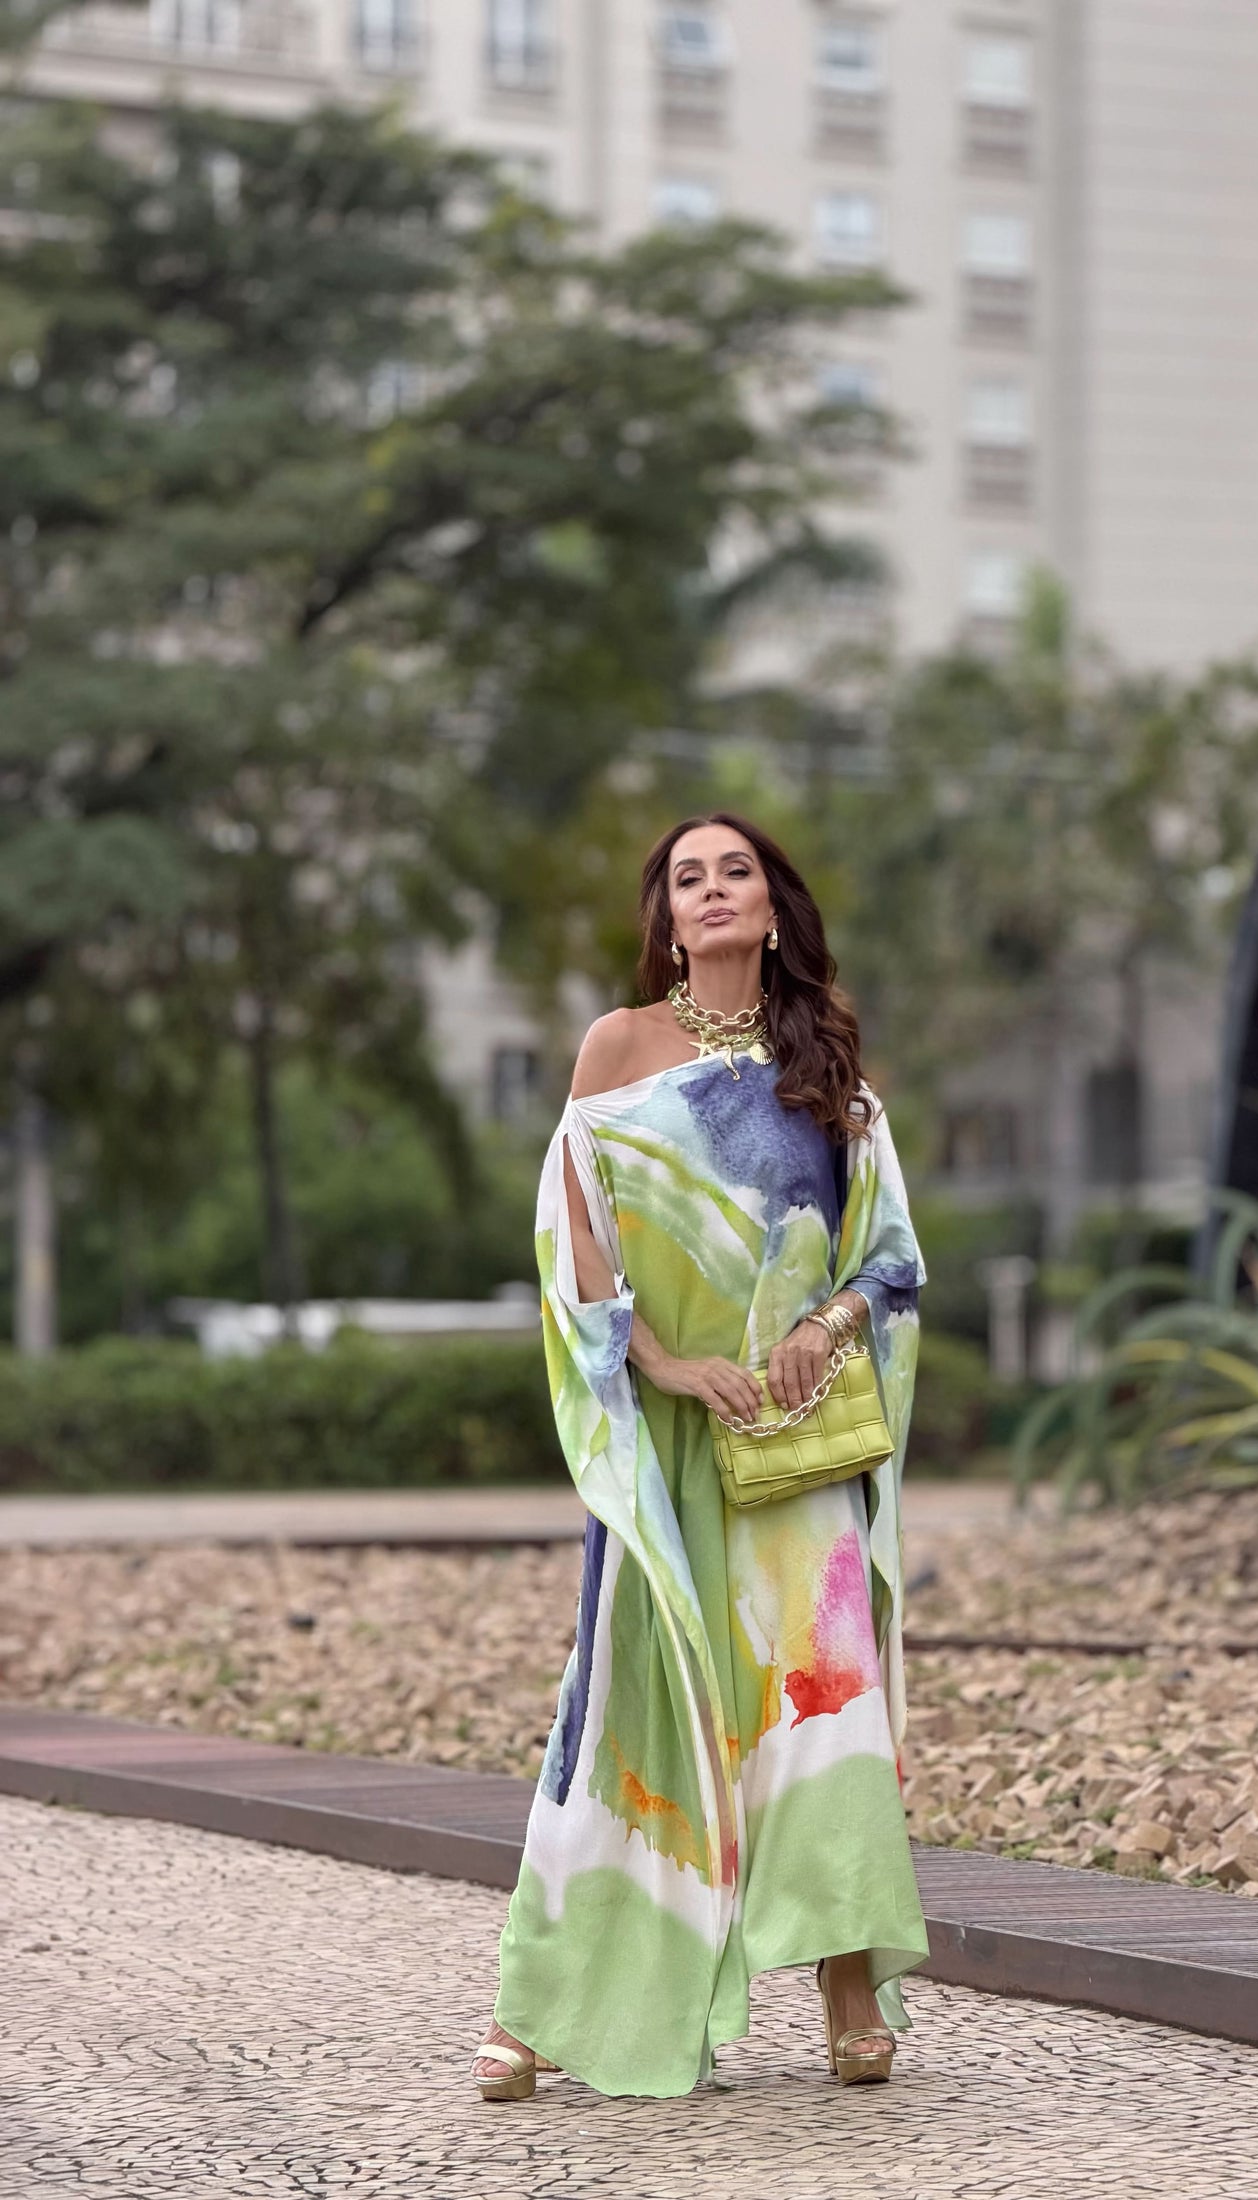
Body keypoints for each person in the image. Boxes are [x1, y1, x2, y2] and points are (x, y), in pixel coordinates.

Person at [470, 811, 928, 2101]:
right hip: (667, 1436)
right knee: (629, 1701)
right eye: (689, 878)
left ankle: (848, 1981)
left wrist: (818, 1329)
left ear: (772, 907)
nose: (714, 891)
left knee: (824, 1707)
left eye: (736, 872)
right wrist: (665, 1365)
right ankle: (556, 1999)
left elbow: (886, 1254)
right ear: (665, 919)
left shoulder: (820, 1055)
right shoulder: (617, 1051)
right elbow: (577, 1235)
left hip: (794, 1445)